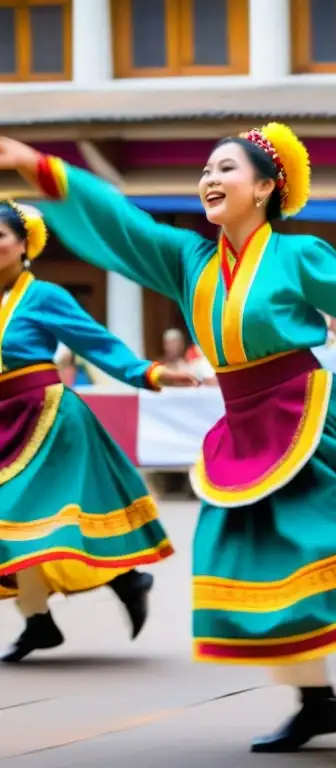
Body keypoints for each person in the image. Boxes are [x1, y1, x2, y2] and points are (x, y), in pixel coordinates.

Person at [0, 127, 336, 753]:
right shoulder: (187, 258)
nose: (209, 179)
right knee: (257, 562)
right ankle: (317, 699)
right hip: (244, 428)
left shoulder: (297, 254)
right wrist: (41, 168)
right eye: (205, 169)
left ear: (267, 187)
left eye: (225, 168)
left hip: (310, 413)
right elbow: (119, 223)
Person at [0, 201, 198, 663]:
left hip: (46, 420)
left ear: (24, 244)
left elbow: (95, 341)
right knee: (13, 523)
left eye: (0, 236)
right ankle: (42, 619)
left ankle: (112, 584)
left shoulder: (43, 296)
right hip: (4, 420)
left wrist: (149, 373)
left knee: (18, 514)